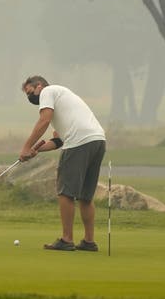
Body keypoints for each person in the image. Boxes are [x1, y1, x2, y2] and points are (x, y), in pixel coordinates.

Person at [18, 75, 106, 252]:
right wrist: (36, 150)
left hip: (79, 142)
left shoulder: (48, 91)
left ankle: (67, 239)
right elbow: (58, 141)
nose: (30, 97)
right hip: (97, 141)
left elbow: (44, 120)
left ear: (39, 86)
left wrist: (25, 147)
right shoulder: (63, 97)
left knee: (65, 193)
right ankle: (89, 242)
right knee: (85, 196)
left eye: (30, 92)